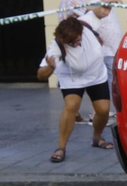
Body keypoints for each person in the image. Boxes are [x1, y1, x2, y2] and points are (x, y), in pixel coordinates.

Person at [37, 16, 111, 163]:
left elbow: (98, 10)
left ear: (81, 31)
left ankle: (97, 137)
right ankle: (61, 147)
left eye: (76, 40)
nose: (74, 44)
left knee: (103, 110)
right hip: (72, 78)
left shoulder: (85, 24)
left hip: (96, 74)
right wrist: (50, 68)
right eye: (70, 43)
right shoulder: (57, 46)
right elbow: (40, 75)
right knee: (71, 106)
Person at [80, 0, 127, 128]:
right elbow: (90, 15)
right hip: (103, 52)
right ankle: (97, 115)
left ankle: (101, 113)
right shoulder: (95, 4)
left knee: (109, 83)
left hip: (112, 51)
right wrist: (112, 0)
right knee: (103, 84)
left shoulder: (109, 6)